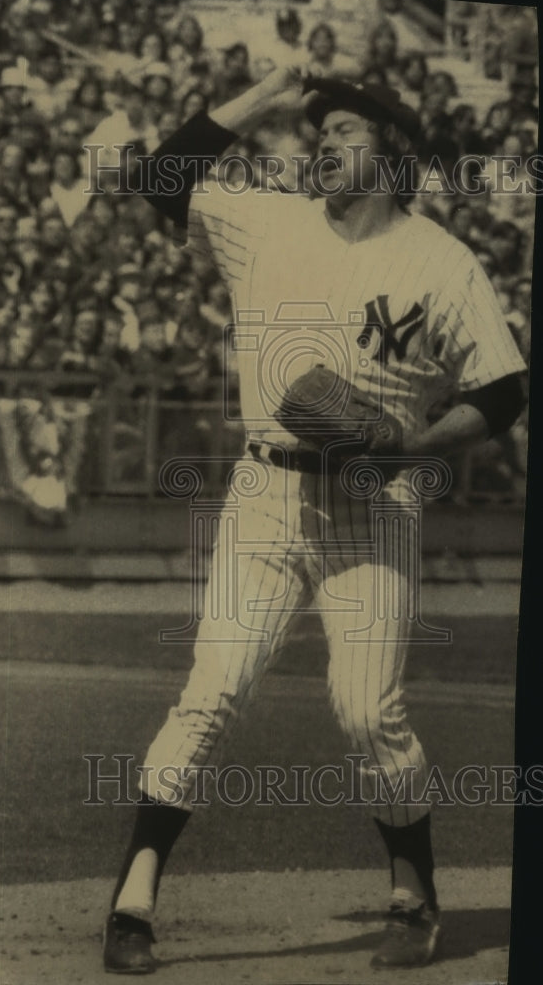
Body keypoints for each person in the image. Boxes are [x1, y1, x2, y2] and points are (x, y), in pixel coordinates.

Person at [102, 64, 527, 974]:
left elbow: (502, 391)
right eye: (319, 130)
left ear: (393, 152)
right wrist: (259, 97)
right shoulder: (269, 218)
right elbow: (161, 177)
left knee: (367, 711)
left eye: (346, 131)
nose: (324, 143)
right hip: (265, 492)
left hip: (374, 501)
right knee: (213, 688)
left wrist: (413, 448)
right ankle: (133, 897)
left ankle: (413, 894)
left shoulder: (442, 262)